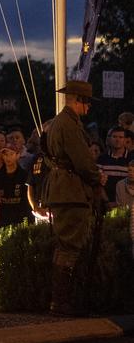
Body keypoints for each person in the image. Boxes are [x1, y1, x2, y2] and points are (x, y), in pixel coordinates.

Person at [44, 80, 107, 316]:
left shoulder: (61, 122)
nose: (88, 107)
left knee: (65, 247)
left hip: (63, 189)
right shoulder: (69, 125)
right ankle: (63, 302)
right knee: (71, 247)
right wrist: (96, 177)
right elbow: (82, 160)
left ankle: (61, 301)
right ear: (78, 101)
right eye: (87, 102)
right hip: (71, 191)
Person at [0, 142, 32, 226]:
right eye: (6, 154)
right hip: (3, 218)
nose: (8, 157)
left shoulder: (24, 176)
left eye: (11, 154)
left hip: (20, 217)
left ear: (18, 155)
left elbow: (27, 200)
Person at [97, 126, 129, 207]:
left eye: (120, 137)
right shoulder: (101, 159)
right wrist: (107, 201)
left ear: (125, 140)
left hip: (127, 204)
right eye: (114, 137)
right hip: (106, 204)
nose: (117, 140)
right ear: (110, 139)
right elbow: (98, 183)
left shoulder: (131, 159)